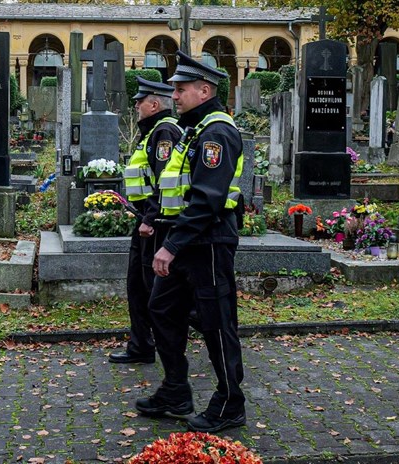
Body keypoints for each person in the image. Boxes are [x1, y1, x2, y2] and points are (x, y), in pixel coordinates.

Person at [135, 51, 246, 433]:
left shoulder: (217, 132)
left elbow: (207, 200)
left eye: (180, 90)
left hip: (207, 243)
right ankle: (176, 390)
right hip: (184, 241)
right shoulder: (193, 130)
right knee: (162, 310)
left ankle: (230, 403)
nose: (174, 96)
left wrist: (171, 246)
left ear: (204, 90)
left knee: (217, 325)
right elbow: (172, 189)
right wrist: (158, 226)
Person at [109, 77, 183, 364]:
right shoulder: (152, 131)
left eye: (141, 101)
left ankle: (185, 340)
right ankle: (141, 345)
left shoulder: (164, 132)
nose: (136, 105)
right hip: (145, 222)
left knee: (153, 289)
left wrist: (150, 217)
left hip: (154, 226)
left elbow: (166, 180)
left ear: (154, 104)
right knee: (137, 287)